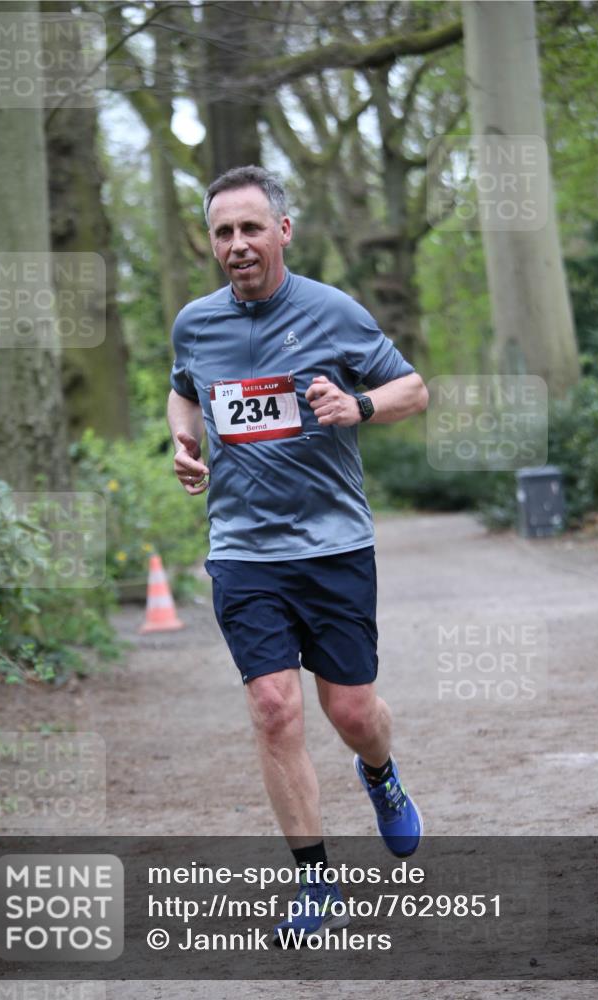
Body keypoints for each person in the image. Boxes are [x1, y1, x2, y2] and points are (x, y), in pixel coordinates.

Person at [166, 165, 429, 944]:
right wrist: (181, 438)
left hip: (333, 546)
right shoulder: (196, 323)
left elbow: (414, 388)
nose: (237, 244)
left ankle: (379, 774)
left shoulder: (333, 312)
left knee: (350, 712)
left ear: (282, 231)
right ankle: (316, 881)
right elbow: (184, 387)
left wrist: (360, 405)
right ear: (210, 242)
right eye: (222, 232)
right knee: (273, 708)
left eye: (250, 228)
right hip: (243, 550)